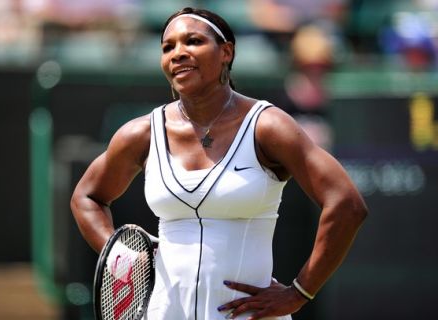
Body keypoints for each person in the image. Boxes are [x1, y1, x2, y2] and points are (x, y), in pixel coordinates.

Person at [70, 7, 368, 320]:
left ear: (226, 52)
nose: (179, 53)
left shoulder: (268, 126)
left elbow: (347, 203)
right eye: (168, 47)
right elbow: (87, 197)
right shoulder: (141, 133)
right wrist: (125, 258)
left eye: (193, 41)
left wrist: (300, 291)